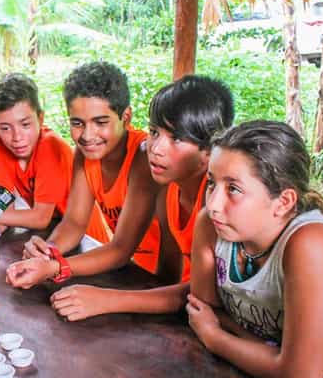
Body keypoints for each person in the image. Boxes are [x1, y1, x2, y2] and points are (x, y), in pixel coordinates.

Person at [187, 121, 323, 378]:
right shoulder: (213, 223)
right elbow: (204, 309)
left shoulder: (310, 244)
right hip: (260, 376)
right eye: (211, 183)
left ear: (283, 202)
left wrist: (214, 338)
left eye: (233, 188)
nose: (214, 203)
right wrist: (277, 355)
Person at [45, 75, 234, 320]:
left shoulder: (216, 204)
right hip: (179, 307)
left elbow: (203, 295)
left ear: (210, 148)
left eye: (175, 138)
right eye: (154, 132)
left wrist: (105, 298)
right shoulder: (169, 187)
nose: (155, 148)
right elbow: (166, 274)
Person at [6, 61, 160, 289]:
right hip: (130, 273)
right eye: (77, 123)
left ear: (126, 118)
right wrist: (47, 251)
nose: (88, 135)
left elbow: (120, 249)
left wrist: (57, 267)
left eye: (100, 122)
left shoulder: (143, 158)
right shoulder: (84, 154)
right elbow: (74, 223)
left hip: (160, 281)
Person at [0, 73, 106, 249]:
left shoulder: (50, 147)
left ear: (40, 119)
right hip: (51, 237)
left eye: (25, 124)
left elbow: (40, 218)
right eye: (5, 128)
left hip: (88, 242)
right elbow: (4, 205)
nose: (17, 137)